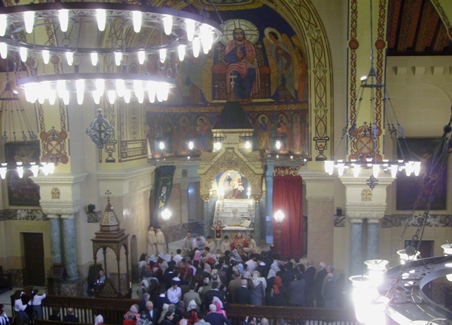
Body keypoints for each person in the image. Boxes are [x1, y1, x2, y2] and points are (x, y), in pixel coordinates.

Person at [224, 28, 260, 103]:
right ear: (234, 35)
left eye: (240, 33)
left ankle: (246, 96)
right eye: (237, 33)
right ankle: (239, 97)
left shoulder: (249, 44)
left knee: (251, 73)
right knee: (235, 75)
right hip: (234, 65)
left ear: (243, 34)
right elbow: (227, 58)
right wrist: (237, 57)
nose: (239, 35)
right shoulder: (231, 44)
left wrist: (251, 58)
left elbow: (253, 56)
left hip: (247, 64)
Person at [267, 30, 295, 101]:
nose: (270, 38)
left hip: (287, 66)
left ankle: (290, 97)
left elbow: (289, 57)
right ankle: (282, 97)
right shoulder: (273, 46)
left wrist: (282, 52)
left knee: (288, 81)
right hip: (279, 66)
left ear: (274, 36)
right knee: (280, 81)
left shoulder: (282, 45)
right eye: (269, 36)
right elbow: (274, 56)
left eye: (271, 36)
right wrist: (277, 54)